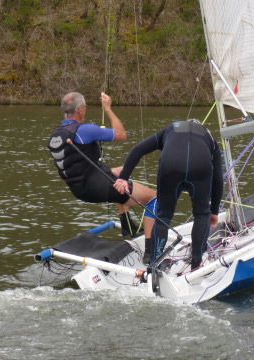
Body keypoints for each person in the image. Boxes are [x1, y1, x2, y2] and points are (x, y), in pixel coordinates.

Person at [114, 119, 223, 269]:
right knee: (202, 214)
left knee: (163, 216)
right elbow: (218, 179)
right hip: (200, 167)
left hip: (171, 166)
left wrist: (123, 178)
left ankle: (154, 264)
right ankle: (196, 264)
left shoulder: (169, 129)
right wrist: (215, 211)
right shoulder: (210, 138)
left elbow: (138, 149)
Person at [47, 91, 157, 238]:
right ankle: (151, 245)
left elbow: (77, 165)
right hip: (96, 188)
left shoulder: (56, 135)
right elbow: (121, 134)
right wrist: (108, 109)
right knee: (155, 197)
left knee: (122, 172)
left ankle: (127, 224)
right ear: (80, 109)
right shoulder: (86, 130)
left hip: (79, 190)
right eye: (85, 107)